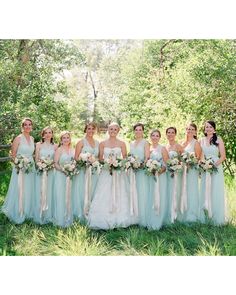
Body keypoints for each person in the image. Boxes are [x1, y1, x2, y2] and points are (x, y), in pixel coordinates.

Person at [88, 122, 134, 229]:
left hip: (119, 173)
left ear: (118, 131)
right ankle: (103, 218)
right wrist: (108, 163)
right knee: (104, 192)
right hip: (106, 172)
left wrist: (117, 164)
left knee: (120, 193)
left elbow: (125, 158)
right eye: (111, 129)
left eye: (115, 130)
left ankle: (120, 218)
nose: (112, 131)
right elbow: (100, 158)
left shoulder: (122, 143)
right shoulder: (102, 143)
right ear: (108, 130)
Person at [2, 118, 35, 224]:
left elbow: (32, 153)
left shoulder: (32, 138)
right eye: (25, 125)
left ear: (32, 126)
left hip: (30, 166)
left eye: (29, 125)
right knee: (20, 188)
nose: (28, 126)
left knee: (29, 188)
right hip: (20, 167)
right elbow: (13, 154)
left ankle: (28, 210)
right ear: (22, 126)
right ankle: (17, 210)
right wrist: (19, 164)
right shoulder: (18, 138)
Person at [199, 120, 226, 225]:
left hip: (216, 168)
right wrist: (204, 165)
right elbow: (200, 155)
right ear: (204, 129)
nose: (208, 129)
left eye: (210, 127)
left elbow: (223, 156)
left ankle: (216, 217)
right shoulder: (201, 140)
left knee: (215, 190)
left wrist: (213, 165)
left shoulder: (218, 139)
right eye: (206, 127)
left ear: (214, 129)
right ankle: (205, 216)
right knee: (205, 190)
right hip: (205, 168)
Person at [73, 122, 99, 222]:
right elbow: (76, 157)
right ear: (85, 130)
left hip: (94, 171)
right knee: (82, 191)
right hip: (83, 171)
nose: (91, 131)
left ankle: (91, 213)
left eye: (93, 128)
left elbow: (98, 157)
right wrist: (84, 161)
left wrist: (93, 162)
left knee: (93, 190)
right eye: (89, 128)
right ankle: (81, 213)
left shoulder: (97, 143)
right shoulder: (81, 142)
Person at [33, 126, 58, 224]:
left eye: (50, 132)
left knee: (49, 191)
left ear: (52, 134)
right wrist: (42, 165)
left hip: (51, 172)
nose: (48, 135)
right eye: (46, 133)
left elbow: (56, 160)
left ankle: (48, 214)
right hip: (40, 171)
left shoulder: (55, 146)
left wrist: (49, 166)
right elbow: (36, 159)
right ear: (43, 135)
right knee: (40, 191)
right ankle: (39, 213)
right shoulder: (38, 144)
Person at [146, 129, 169, 230]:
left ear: (159, 137)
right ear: (150, 137)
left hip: (161, 176)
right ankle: (150, 219)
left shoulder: (162, 148)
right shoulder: (148, 148)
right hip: (151, 176)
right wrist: (151, 169)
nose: (155, 137)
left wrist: (160, 171)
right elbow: (146, 161)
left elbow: (166, 163)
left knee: (160, 195)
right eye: (153, 135)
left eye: (157, 136)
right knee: (151, 195)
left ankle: (159, 220)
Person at [180, 123, 201, 222]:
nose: (190, 131)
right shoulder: (183, 143)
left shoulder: (196, 143)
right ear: (186, 130)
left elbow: (198, 157)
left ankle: (192, 213)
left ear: (195, 131)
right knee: (183, 189)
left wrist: (190, 163)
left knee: (191, 190)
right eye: (188, 129)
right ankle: (183, 211)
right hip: (182, 171)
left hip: (192, 171)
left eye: (192, 129)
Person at [53, 131, 75, 227]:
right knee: (61, 195)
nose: (66, 139)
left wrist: (72, 168)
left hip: (70, 176)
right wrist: (63, 170)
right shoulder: (59, 149)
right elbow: (55, 163)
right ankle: (61, 218)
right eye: (64, 138)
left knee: (70, 195)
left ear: (70, 139)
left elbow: (75, 161)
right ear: (61, 140)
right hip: (60, 175)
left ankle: (69, 216)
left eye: (68, 138)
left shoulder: (72, 149)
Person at [130, 123, 150, 227]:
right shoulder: (131, 143)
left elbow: (147, 157)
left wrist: (141, 165)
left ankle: (143, 218)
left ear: (143, 131)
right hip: (133, 171)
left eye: (140, 130)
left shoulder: (145, 142)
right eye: (136, 130)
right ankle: (134, 217)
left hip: (142, 171)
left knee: (142, 192)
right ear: (134, 131)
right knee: (134, 192)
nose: (138, 131)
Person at [165, 127, 184, 224]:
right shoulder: (165, 146)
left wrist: (177, 166)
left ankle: (176, 214)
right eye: (168, 132)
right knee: (168, 192)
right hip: (167, 173)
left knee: (175, 191)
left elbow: (183, 160)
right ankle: (169, 213)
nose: (170, 134)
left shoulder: (178, 146)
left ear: (175, 134)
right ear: (166, 134)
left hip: (176, 174)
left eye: (172, 132)